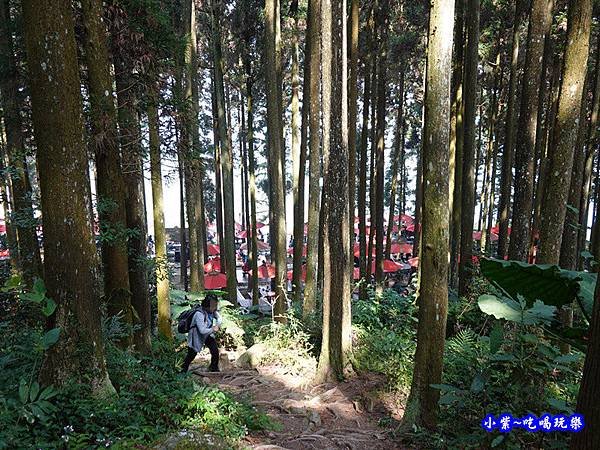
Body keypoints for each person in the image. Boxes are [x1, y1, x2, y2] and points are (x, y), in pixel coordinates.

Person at [181, 293, 222, 373]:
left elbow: (219, 318)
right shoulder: (199, 314)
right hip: (196, 336)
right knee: (192, 354)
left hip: (207, 334)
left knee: (214, 350)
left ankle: (214, 368)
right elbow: (202, 330)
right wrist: (213, 329)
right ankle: (183, 370)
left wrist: (217, 324)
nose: (215, 307)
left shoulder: (212, 311)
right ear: (207, 306)